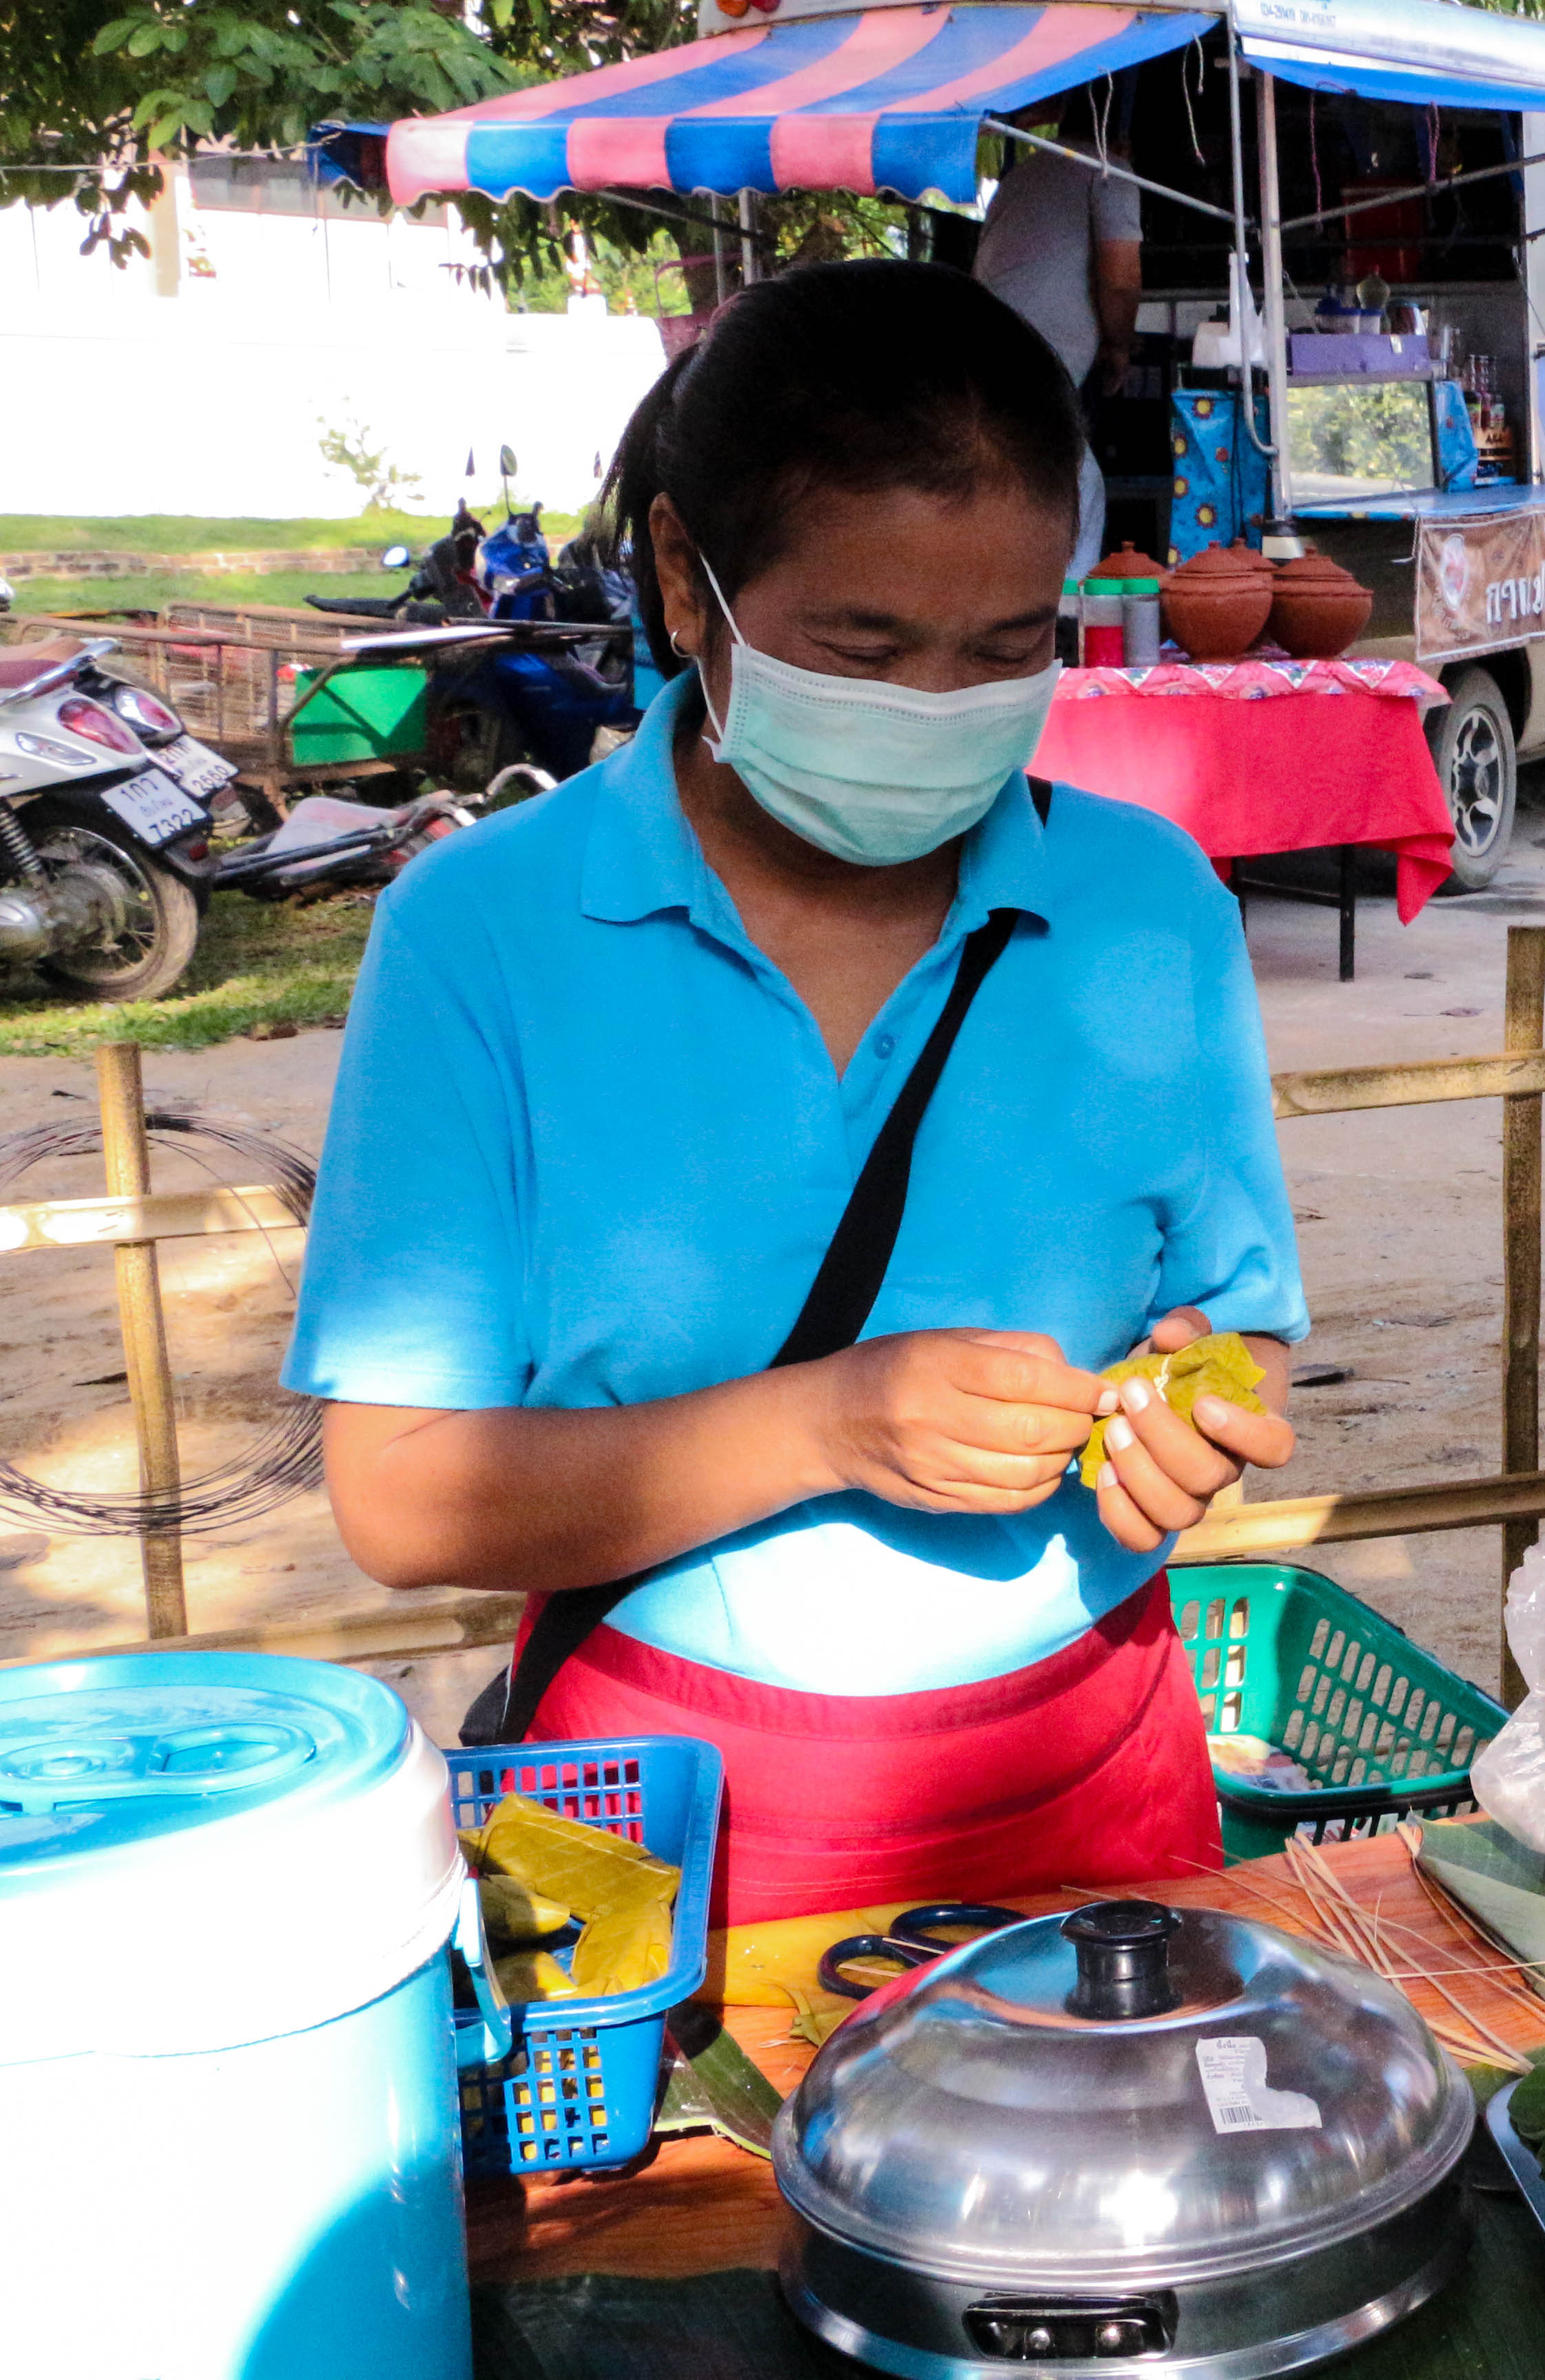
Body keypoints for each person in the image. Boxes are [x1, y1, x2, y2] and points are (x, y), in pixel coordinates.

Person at [290, 261, 1305, 1922]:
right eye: (866, 643)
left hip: (1092, 1769)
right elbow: (400, 1495)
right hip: (670, 1814)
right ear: (692, 585)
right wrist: (829, 1424)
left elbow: (1237, 1321)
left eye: (1002, 646)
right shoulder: (488, 933)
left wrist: (1192, 1411)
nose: (936, 708)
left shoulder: (1147, 911)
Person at [971, 94, 1143, 576]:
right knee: (1077, 480)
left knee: (1016, 475)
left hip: (986, 347)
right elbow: (1120, 277)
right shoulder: (1111, 171)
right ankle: (1069, 613)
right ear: (1122, 137)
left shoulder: (1024, 174)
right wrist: (1119, 345)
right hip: (1029, 359)